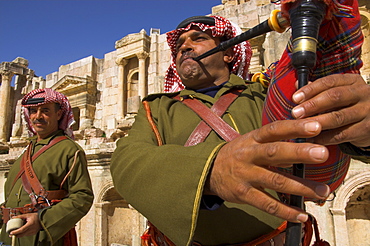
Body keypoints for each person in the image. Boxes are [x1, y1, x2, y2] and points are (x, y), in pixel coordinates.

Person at [111, 1, 370, 245]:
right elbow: (127, 161)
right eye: (179, 44)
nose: (185, 46)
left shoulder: (265, 95)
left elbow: (321, 136)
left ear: (227, 53)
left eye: (198, 38)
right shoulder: (156, 108)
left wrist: (363, 136)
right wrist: (211, 169)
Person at [0, 88, 94, 246]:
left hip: (40, 239)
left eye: (45, 110)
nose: (37, 116)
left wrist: (42, 220)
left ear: (58, 114)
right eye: (33, 111)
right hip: (7, 238)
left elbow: (82, 197)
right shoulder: (27, 151)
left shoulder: (69, 150)